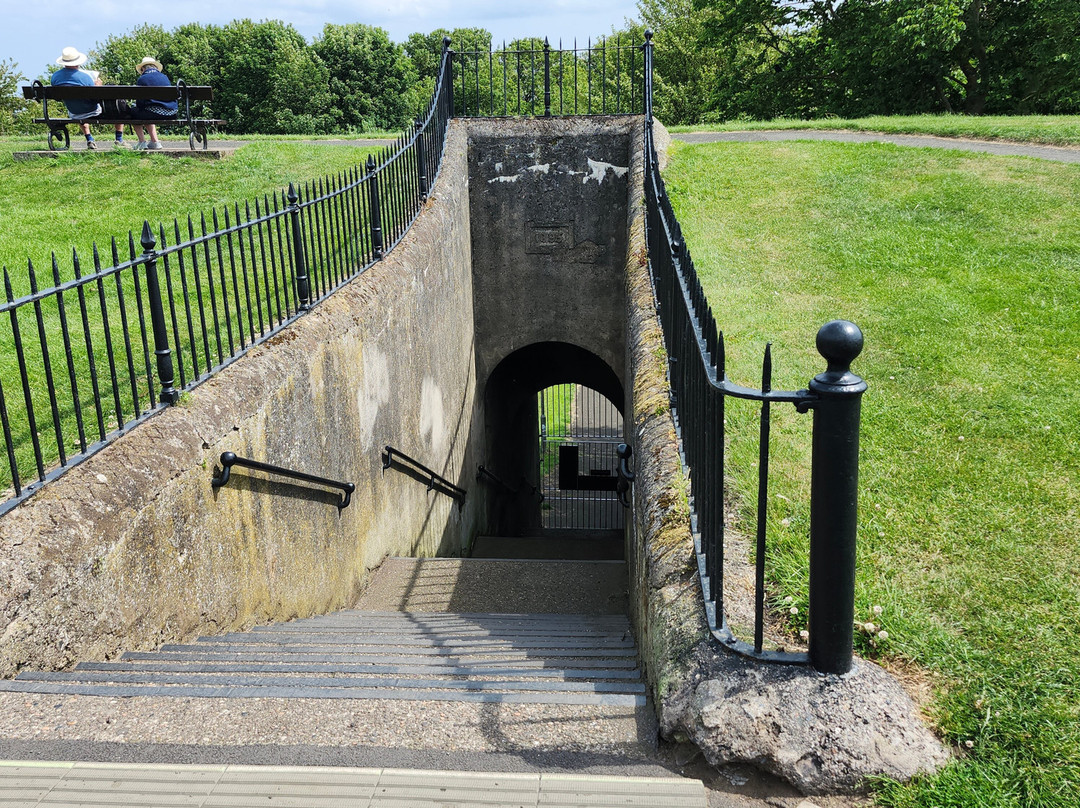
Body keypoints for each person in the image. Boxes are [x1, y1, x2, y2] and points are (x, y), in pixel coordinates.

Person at [50, 47, 126, 150]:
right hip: (93, 111)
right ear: (78, 62)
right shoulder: (85, 77)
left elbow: (57, 98)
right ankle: (119, 139)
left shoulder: (55, 77)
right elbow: (96, 97)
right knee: (118, 105)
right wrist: (98, 86)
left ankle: (89, 139)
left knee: (79, 105)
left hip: (74, 112)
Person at [130, 57, 177, 151]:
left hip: (154, 113)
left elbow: (140, 103)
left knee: (133, 112)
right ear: (155, 67)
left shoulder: (142, 79)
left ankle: (142, 142)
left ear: (143, 69)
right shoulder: (164, 77)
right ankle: (155, 142)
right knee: (148, 110)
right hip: (172, 113)